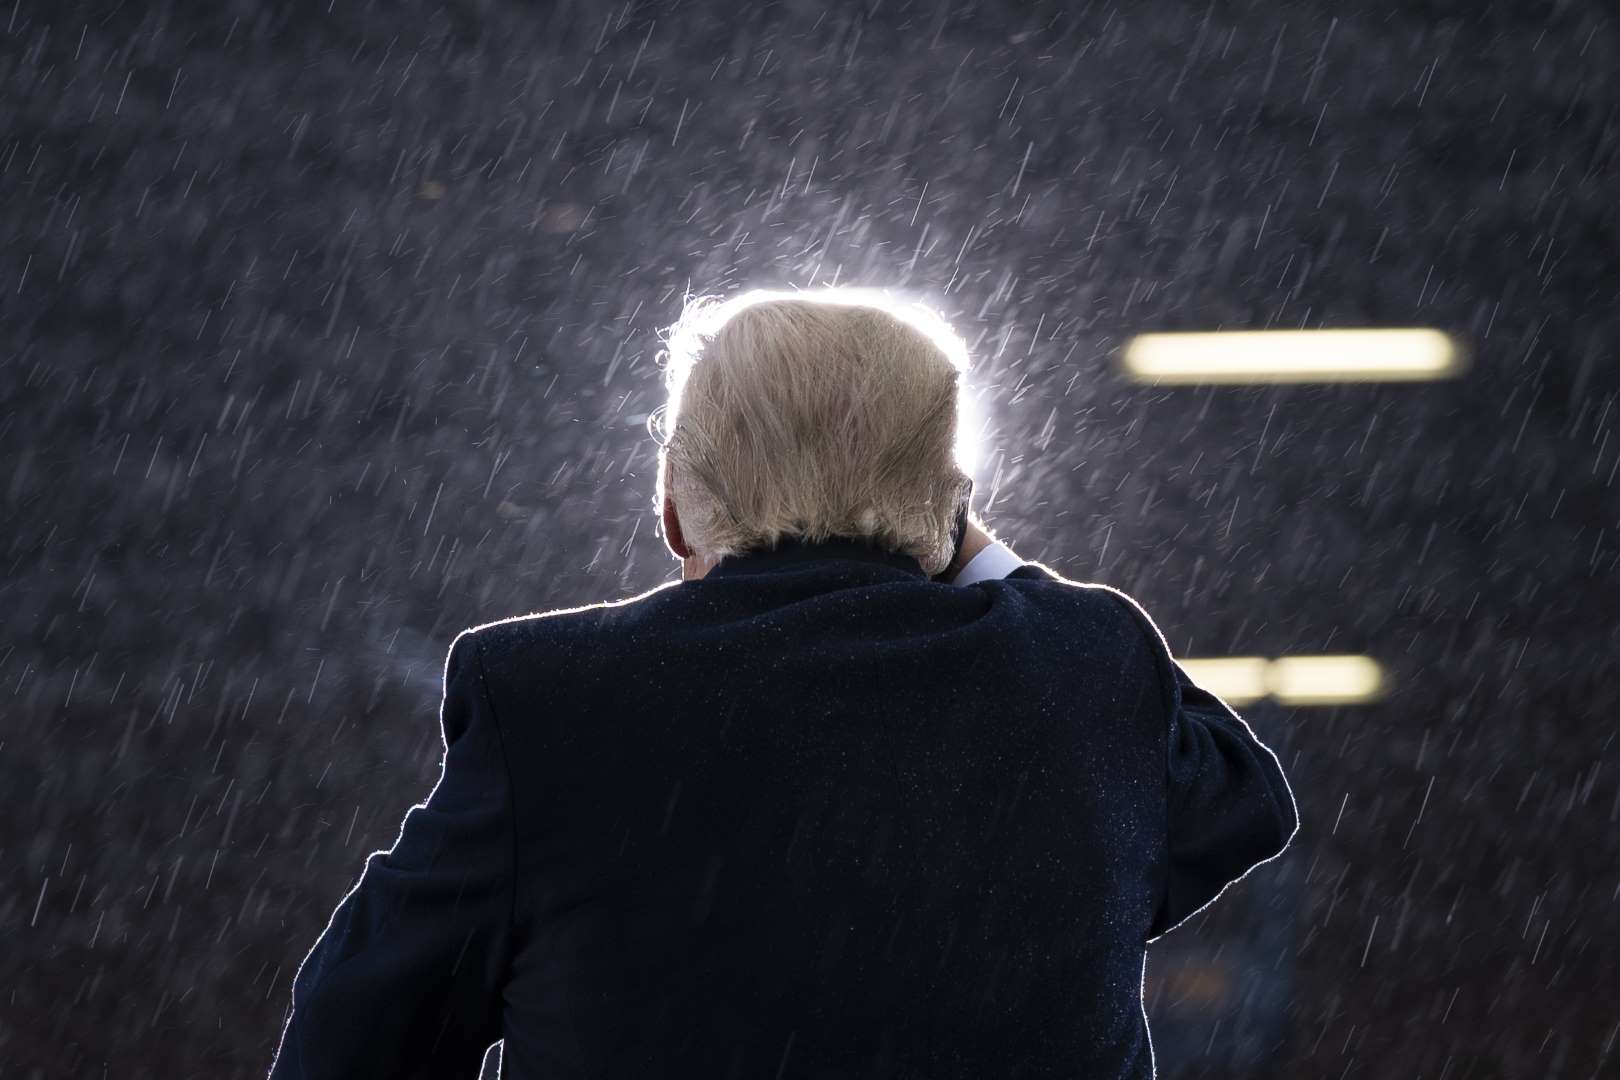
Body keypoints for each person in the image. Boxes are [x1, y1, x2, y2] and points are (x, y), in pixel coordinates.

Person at [266, 289, 1299, 1079]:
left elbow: (350, 1036)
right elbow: (1239, 804)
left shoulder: (552, 702)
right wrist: (970, 542)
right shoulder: (1083, 664)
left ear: (673, 510)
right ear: (944, 509)